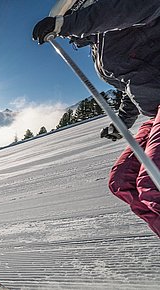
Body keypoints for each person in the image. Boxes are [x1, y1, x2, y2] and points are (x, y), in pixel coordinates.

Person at [32, 0, 160, 238]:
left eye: (72, 15)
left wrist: (64, 24)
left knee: (153, 185)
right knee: (122, 182)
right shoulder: (99, 46)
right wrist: (121, 124)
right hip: (154, 113)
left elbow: (121, 11)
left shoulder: (123, 11)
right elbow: (130, 87)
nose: (71, 39)